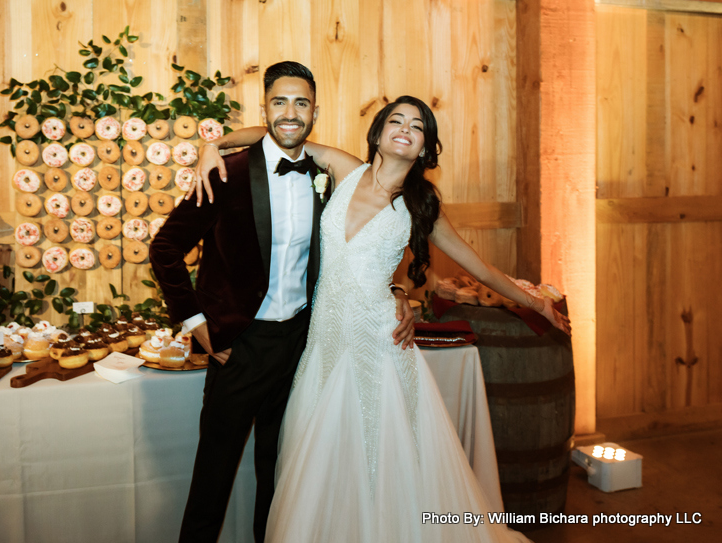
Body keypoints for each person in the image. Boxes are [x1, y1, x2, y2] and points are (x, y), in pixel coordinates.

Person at [192, 95, 570, 542]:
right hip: (322, 343)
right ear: (378, 132)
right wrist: (214, 144)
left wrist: (533, 301)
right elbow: (278, 134)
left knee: (379, 456)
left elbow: (478, 267)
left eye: (418, 126)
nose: (406, 128)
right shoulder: (343, 169)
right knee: (323, 458)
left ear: (425, 148)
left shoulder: (421, 205)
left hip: (378, 342)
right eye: (397, 119)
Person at [149, 62, 415, 543]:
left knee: (282, 479)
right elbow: (164, 248)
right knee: (213, 479)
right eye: (279, 101)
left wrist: (396, 289)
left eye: (301, 103)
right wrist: (194, 321)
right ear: (264, 108)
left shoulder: (331, 177)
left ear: (315, 111)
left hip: (301, 346)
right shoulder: (225, 174)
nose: (290, 113)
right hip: (238, 347)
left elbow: (362, 246)